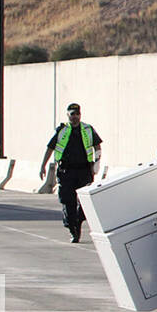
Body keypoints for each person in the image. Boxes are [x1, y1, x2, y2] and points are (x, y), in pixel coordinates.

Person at [39, 103, 103, 243]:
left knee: (85, 202)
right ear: (68, 115)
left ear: (80, 115)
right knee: (68, 202)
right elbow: (50, 148)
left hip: (84, 170)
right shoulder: (62, 131)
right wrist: (43, 165)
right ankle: (73, 228)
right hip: (66, 171)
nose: (75, 117)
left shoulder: (87, 129)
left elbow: (97, 146)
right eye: (72, 114)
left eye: (77, 114)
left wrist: (96, 164)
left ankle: (78, 222)